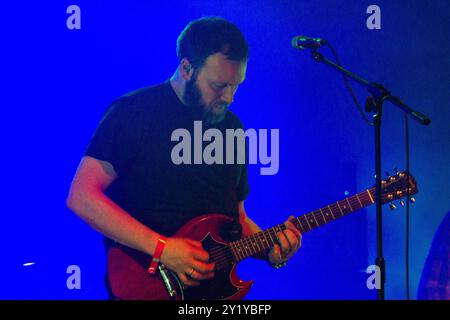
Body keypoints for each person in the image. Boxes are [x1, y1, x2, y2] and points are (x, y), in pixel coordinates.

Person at [66, 16, 301, 298]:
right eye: (218, 86)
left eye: (236, 86)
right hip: (147, 285)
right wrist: (162, 249)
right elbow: (81, 196)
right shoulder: (133, 112)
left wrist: (271, 250)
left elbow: (236, 219)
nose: (229, 97)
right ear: (187, 68)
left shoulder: (233, 129)